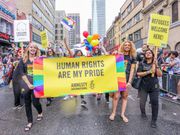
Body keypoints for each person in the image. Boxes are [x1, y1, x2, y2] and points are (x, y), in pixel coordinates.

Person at [109, 40, 136, 123]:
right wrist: (113, 55)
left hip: (127, 79)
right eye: (125, 45)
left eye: (129, 45)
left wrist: (129, 82)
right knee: (116, 96)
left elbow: (132, 70)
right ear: (123, 46)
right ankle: (113, 113)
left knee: (124, 97)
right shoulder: (119, 55)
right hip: (118, 78)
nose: (127, 46)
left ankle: (122, 114)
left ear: (131, 47)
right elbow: (111, 63)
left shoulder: (132, 57)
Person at [19, 43, 43, 131]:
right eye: (31, 47)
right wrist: (29, 84)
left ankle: (40, 112)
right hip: (26, 84)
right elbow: (22, 73)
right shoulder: (23, 60)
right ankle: (29, 121)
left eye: (35, 48)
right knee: (27, 103)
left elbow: (46, 70)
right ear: (28, 49)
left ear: (37, 50)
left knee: (35, 102)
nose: (33, 49)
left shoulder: (40, 59)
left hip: (37, 84)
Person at [137, 49, 162, 128]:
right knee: (142, 102)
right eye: (146, 53)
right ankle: (143, 113)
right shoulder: (142, 63)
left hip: (154, 86)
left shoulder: (156, 63)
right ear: (144, 55)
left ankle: (154, 120)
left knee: (155, 102)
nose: (148, 54)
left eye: (150, 52)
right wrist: (149, 72)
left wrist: (156, 66)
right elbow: (138, 74)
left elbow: (160, 75)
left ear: (152, 55)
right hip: (143, 86)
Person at [63, 38, 87, 107]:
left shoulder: (84, 58)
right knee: (72, 86)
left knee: (82, 88)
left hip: (81, 75)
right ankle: (69, 94)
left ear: (81, 53)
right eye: (78, 52)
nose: (79, 53)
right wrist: (65, 43)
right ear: (76, 53)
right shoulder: (73, 57)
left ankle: (82, 100)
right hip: (74, 75)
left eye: (80, 52)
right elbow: (69, 50)